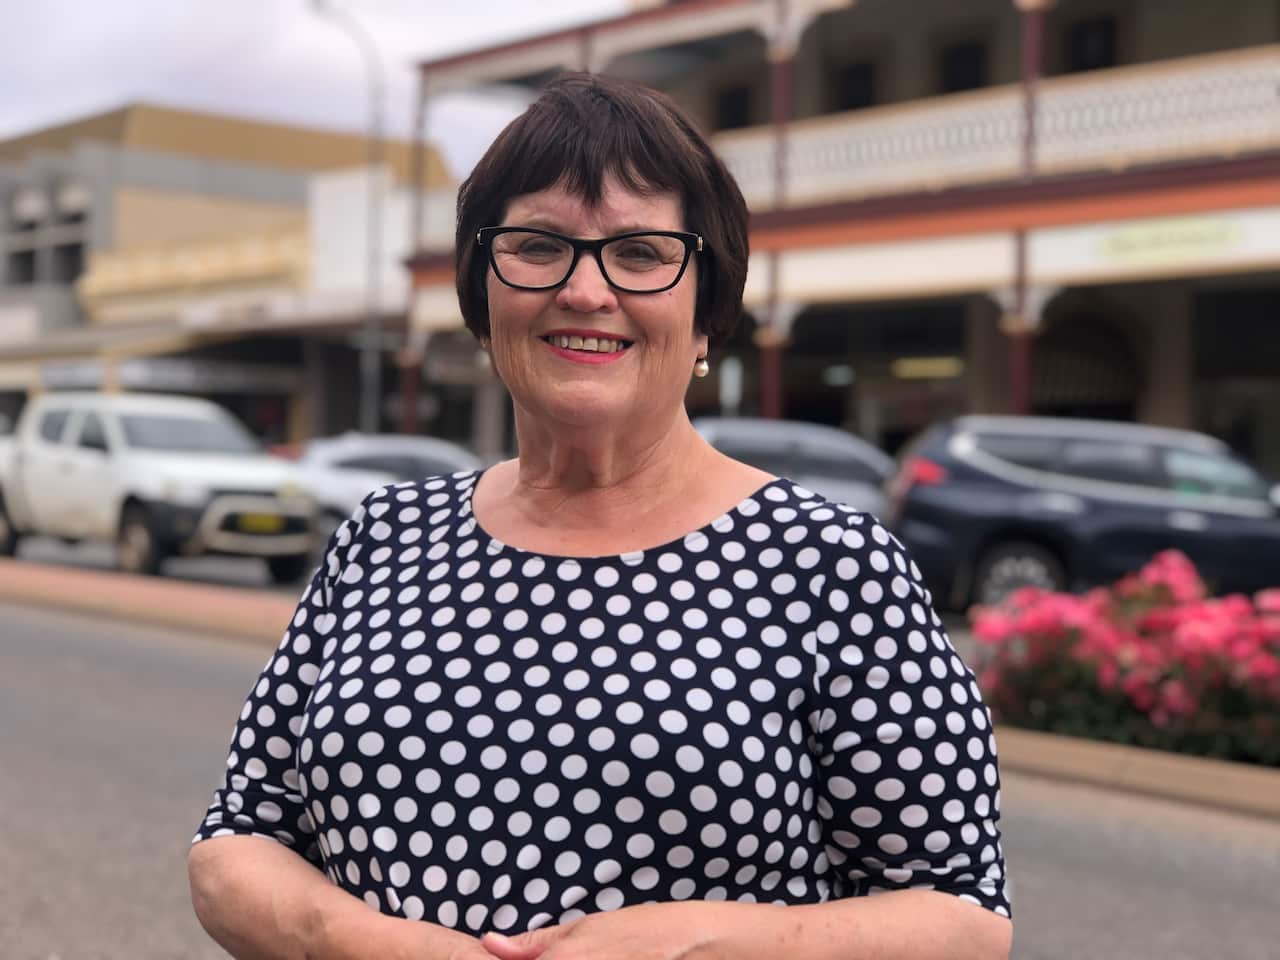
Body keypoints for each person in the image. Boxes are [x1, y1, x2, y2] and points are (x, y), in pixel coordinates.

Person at [189, 72, 1012, 960]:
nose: (585, 291)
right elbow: (238, 839)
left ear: (707, 311)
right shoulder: (384, 537)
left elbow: (960, 914)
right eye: (539, 245)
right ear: (483, 293)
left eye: (641, 253)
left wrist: (697, 945)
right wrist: (349, 938)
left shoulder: (830, 565)